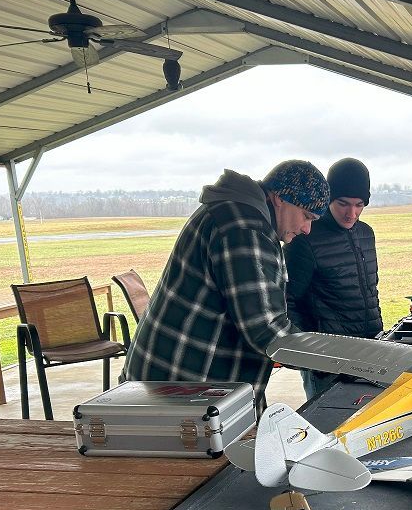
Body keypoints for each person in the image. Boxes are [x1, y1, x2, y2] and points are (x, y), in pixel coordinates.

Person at [123, 161, 329, 410]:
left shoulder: (233, 210)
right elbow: (266, 329)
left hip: (167, 375)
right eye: (306, 216)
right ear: (279, 198)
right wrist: (334, 360)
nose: (307, 229)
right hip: (179, 385)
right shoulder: (244, 228)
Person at [285, 157, 383, 400]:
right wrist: (312, 351)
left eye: (359, 205)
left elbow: (370, 290)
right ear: (328, 198)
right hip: (328, 364)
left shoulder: (366, 234)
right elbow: (288, 301)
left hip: (371, 351)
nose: (351, 213)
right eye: (343, 204)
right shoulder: (304, 238)